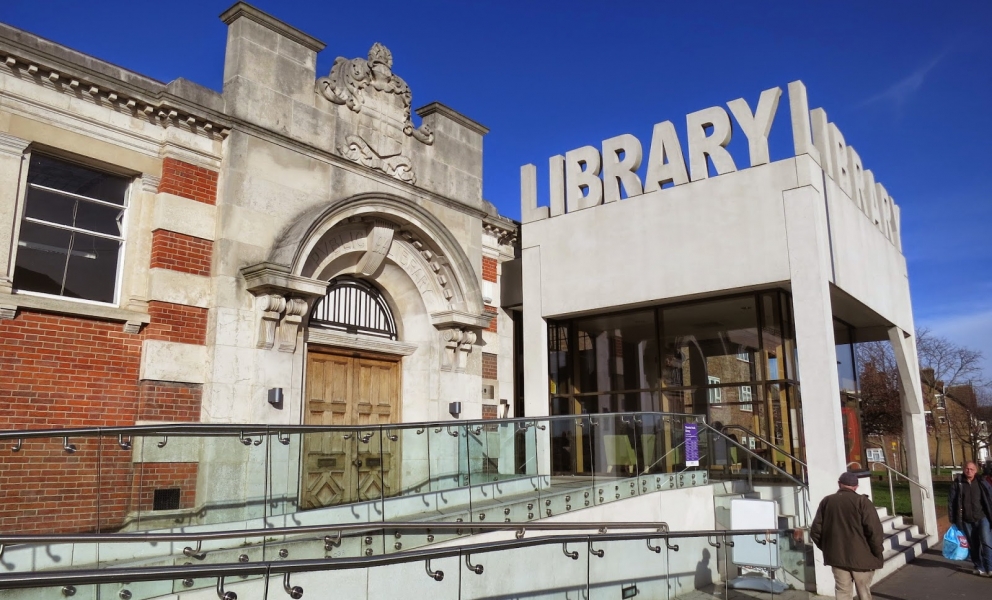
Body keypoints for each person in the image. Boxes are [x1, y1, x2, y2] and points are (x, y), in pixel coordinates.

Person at [810, 472, 884, 600]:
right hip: (863, 558)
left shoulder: (827, 501)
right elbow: (874, 531)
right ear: (856, 487)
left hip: (837, 557)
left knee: (842, 592)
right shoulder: (862, 502)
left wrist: (828, 548)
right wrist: (877, 551)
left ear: (839, 484)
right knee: (864, 592)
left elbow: (816, 531)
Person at [948, 461, 992, 576]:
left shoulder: (982, 482)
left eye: (972, 469)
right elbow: (952, 501)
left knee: (986, 542)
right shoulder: (958, 483)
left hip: (982, 517)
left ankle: (990, 567)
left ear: (976, 470)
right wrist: (953, 519)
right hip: (966, 519)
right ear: (963, 469)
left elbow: (990, 498)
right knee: (973, 544)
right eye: (967, 469)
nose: (969, 471)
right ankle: (979, 567)